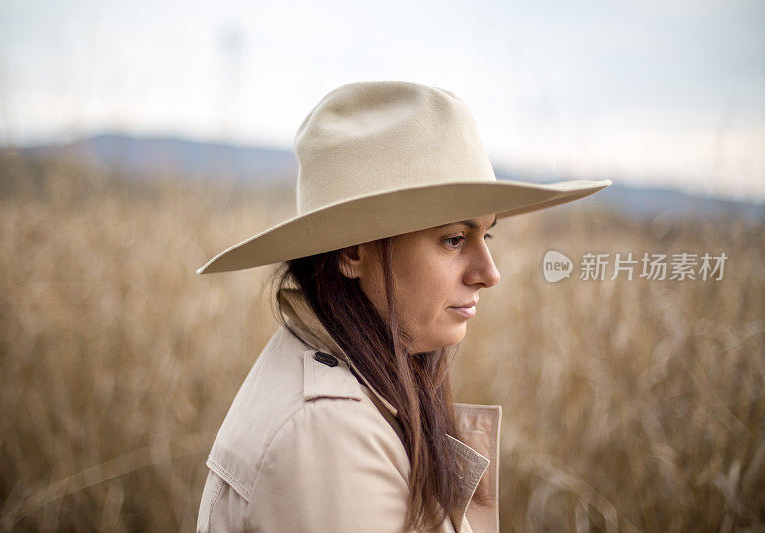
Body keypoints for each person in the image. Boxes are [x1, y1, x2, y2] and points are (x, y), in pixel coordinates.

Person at [194, 81, 611, 532]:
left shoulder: (351, 391)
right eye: (454, 239)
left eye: (485, 236)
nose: (489, 273)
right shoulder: (329, 432)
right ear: (353, 252)